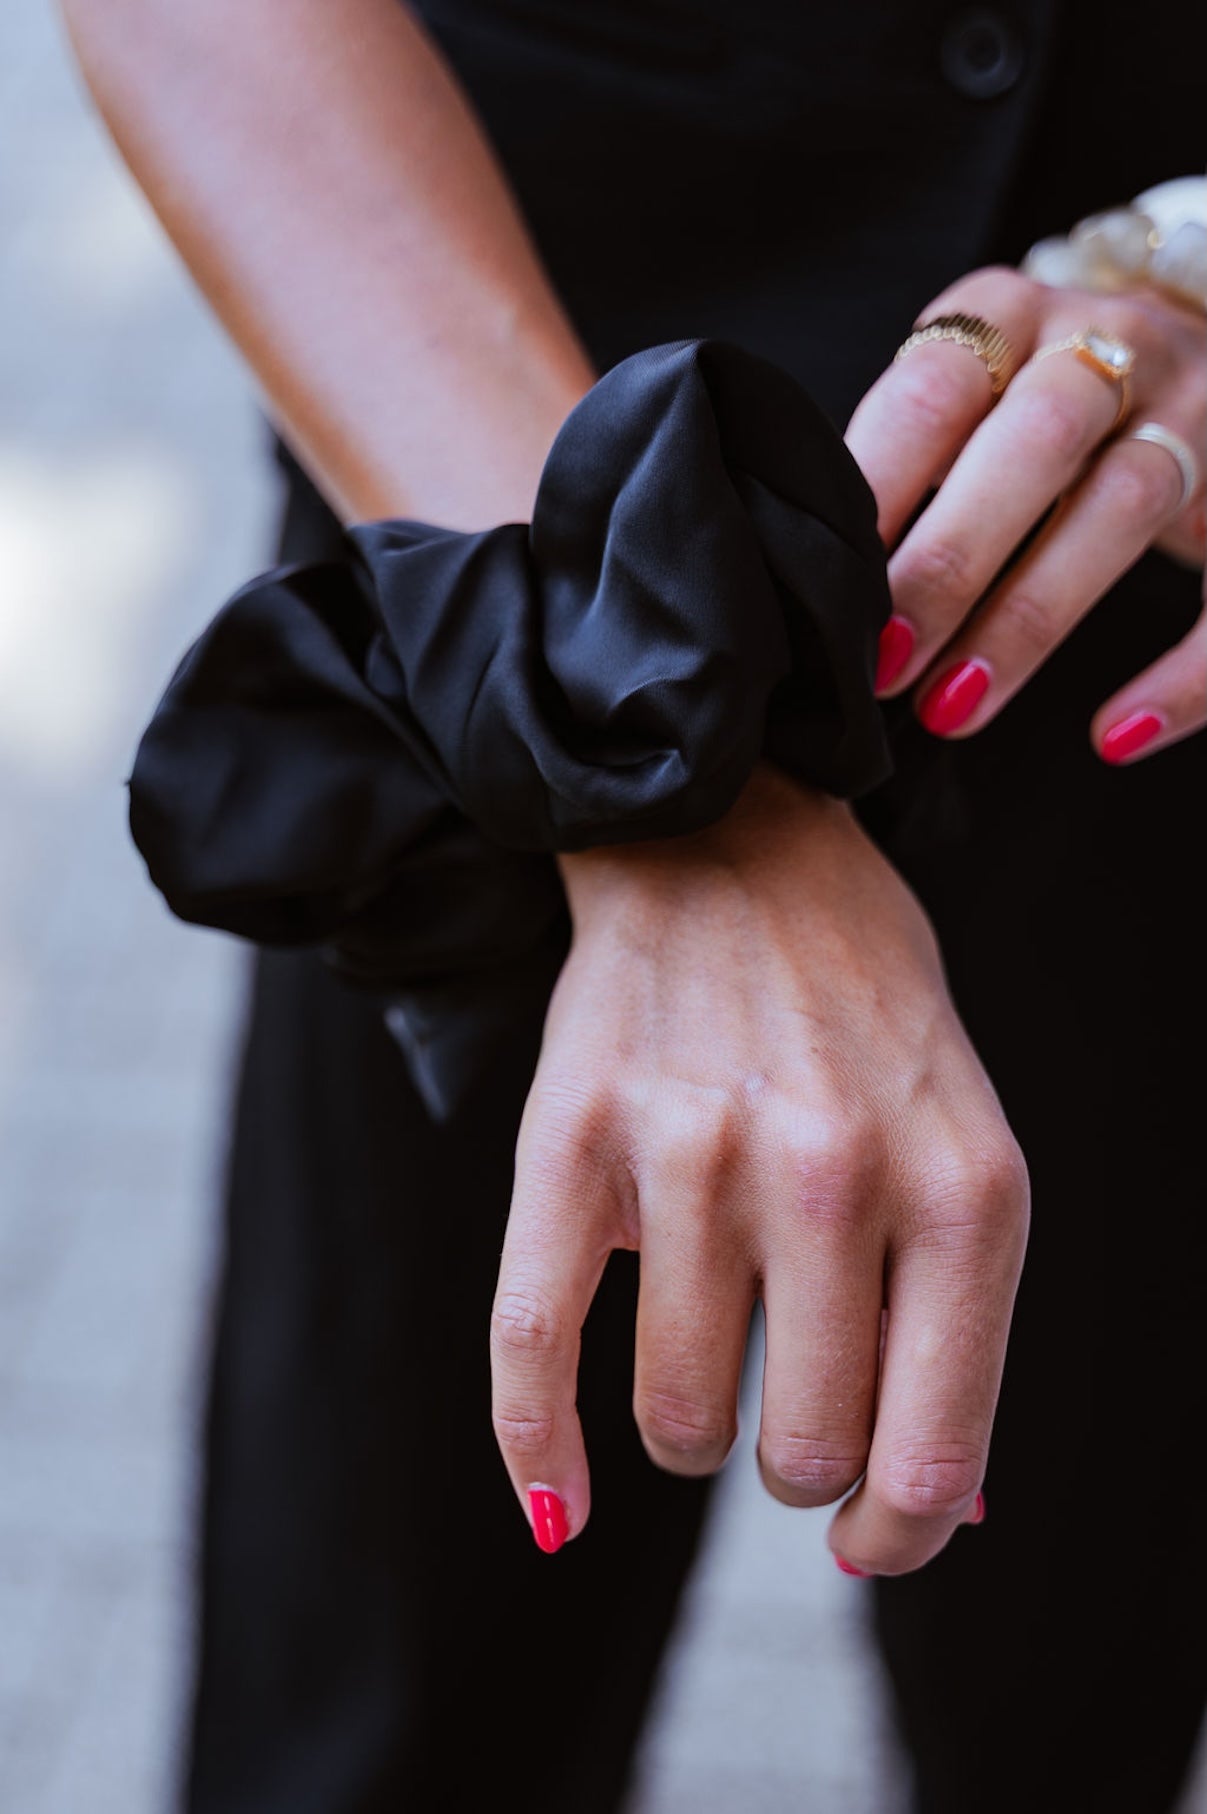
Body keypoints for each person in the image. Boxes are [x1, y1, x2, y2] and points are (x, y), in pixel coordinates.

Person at [62, 1, 1205, 1809]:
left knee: (1090, 1660)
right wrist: (674, 787)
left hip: (1139, 571)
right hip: (481, 461)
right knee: (392, 1706)